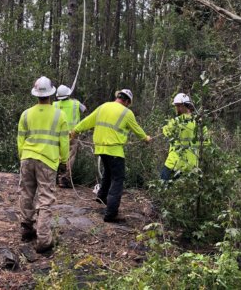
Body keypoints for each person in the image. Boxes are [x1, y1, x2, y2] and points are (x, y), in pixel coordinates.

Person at [71, 89, 151, 223]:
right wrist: (146, 138)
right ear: (127, 101)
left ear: (118, 97)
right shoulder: (127, 113)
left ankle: (102, 196)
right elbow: (137, 130)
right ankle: (111, 213)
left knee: (108, 172)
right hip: (115, 151)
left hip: (101, 149)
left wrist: (75, 130)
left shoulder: (103, 107)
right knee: (118, 179)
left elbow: (88, 121)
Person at [17, 76, 69, 254]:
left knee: (26, 193)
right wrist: (64, 161)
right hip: (48, 160)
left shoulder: (26, 114)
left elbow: (20, 139)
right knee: (45, 198)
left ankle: (26, 229)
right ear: (51, 93)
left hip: (27, 158)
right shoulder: (59, 115)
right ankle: (44, 239)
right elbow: (64, 141)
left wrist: (23, 157)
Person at [160, 93, 208, 181]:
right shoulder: (200, 122)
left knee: (163, 187)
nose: (176, 109)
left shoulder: (176, 121)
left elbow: (166, 132)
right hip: (191, 166)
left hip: (174, 163)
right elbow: (207, 142)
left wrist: (164, 127)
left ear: (181, 106)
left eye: (176, 106)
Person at [54, 84, 87, 188]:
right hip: (72, 134)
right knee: (70, 156)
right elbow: (84, 109)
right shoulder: (76, 104)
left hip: (58, 134)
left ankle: (55, 176)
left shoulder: (54, 105)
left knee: (57, 154)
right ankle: (65, 179)